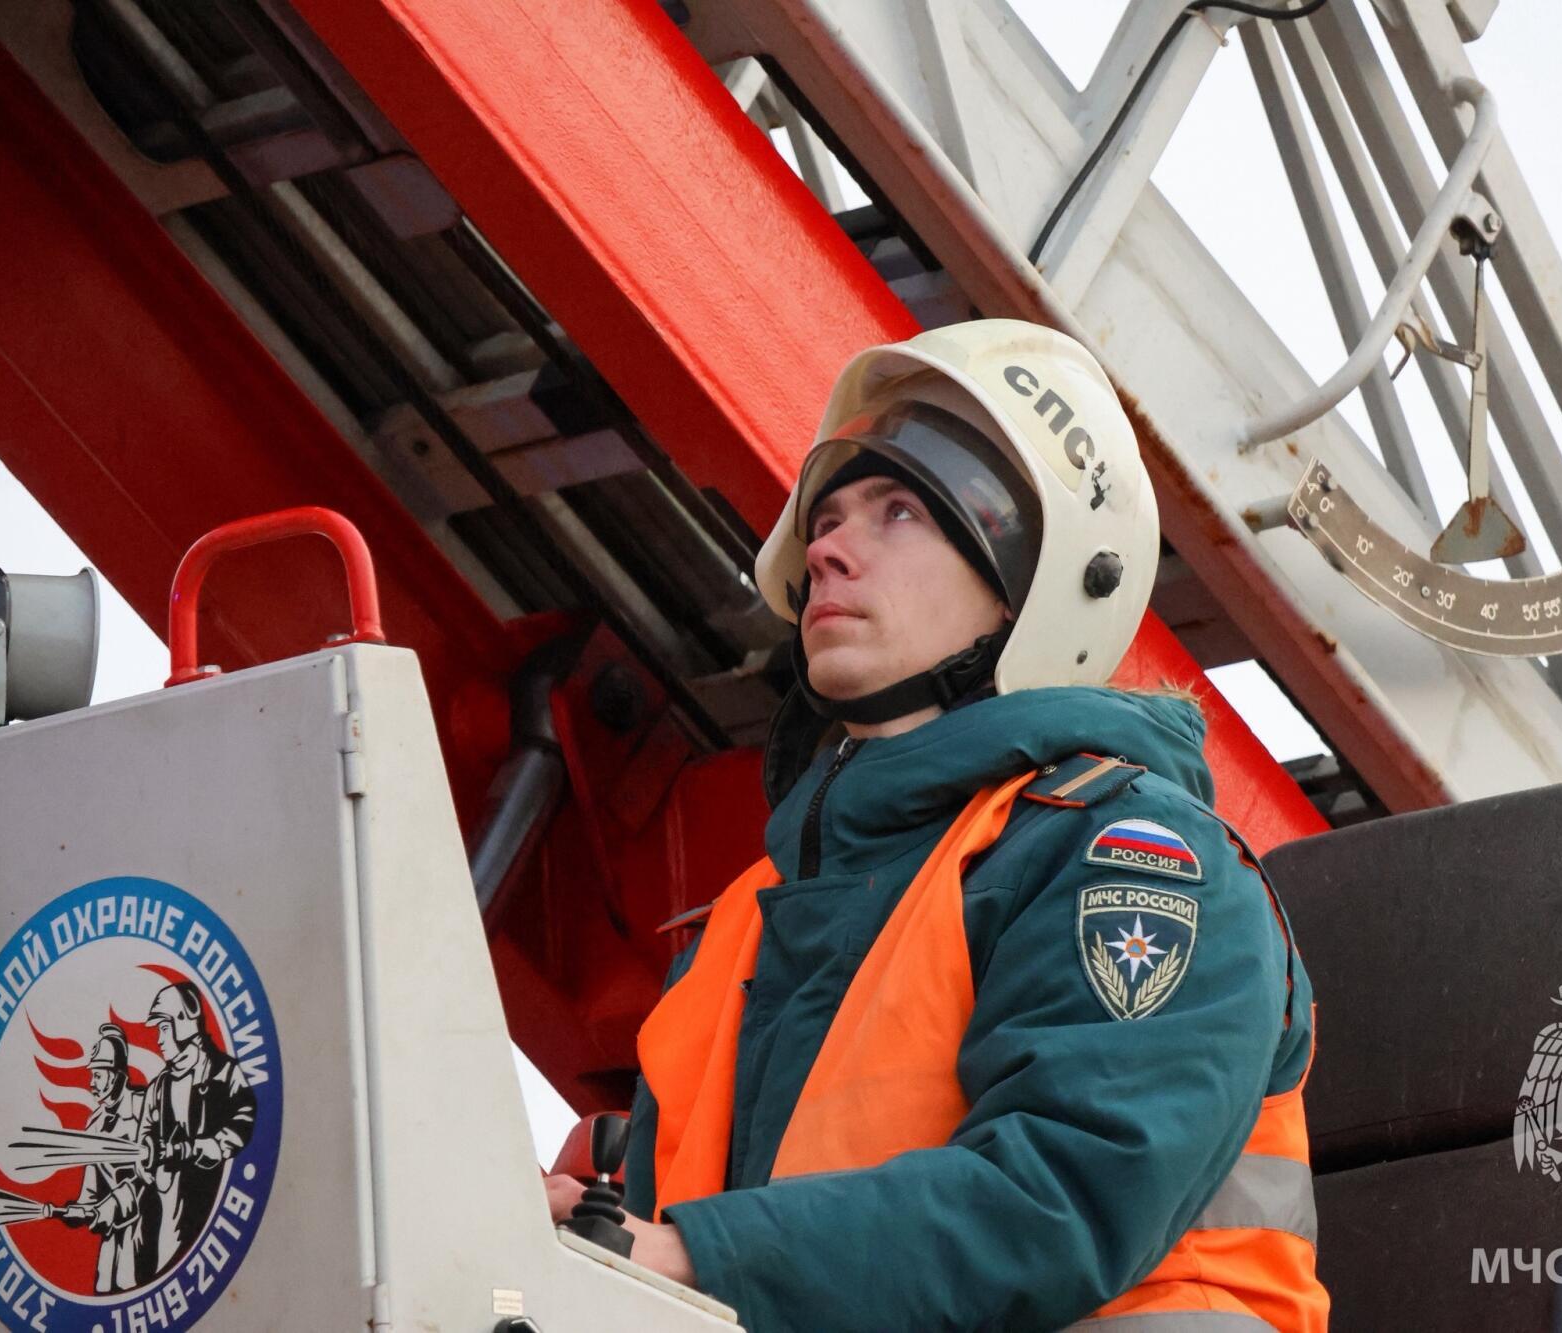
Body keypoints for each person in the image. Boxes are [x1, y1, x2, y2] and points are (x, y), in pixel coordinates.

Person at [545, 320, 1328, 1331]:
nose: (825, 548)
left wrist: (693, 1254)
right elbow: (652, 1239)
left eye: (899, 511)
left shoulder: (1131, 856)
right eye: (826, 518)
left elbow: (1058, 1199)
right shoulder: (745, 919)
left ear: (1029, 588)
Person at [129, 981, 256, 1272]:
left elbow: (244, 1116)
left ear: (183, 1024)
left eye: (164, 1028)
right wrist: (147, 1156)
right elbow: (143, 1135)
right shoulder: (158, 1086)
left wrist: (205, 1147)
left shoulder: (224, 1073)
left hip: (205, 1213)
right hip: (163, 1211)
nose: (159, 1039)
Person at [54, 1022, 147, 1292]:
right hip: (113, 1236)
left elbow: (151, 1179)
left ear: (117, 1075)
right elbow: (91, 1192)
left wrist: (106, 1208)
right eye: (91, 1075)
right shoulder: (94, 1125)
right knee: (105, 1289)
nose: (91, 1083)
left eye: (97, 1075)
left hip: (145, 1233)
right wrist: (76, 1212)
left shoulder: (145, 1108)